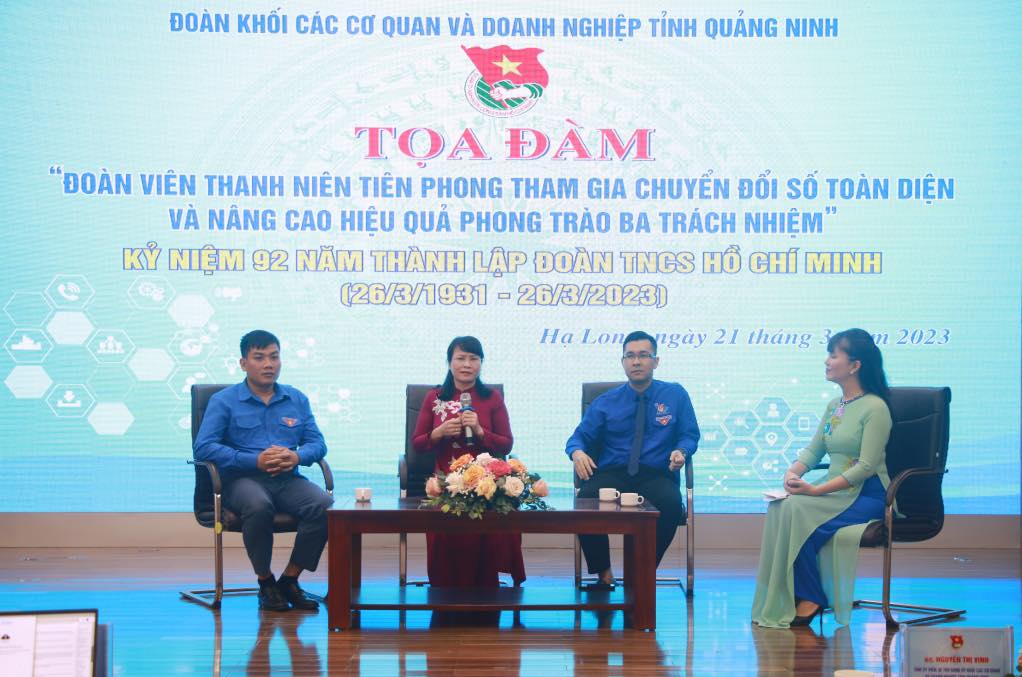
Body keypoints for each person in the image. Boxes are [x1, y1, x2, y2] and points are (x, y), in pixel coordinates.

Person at [752, 328, 893, 628]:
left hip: (867, 494)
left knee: (800, 514)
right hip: (835, 492)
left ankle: (811, 596)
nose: (827, 361)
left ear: (855, 365)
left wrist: (816, 492)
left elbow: (866, 466)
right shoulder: (835, 406)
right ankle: (791, 593)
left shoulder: (876, 408)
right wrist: (793, 472)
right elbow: (815, 450)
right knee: (782, 506)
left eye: (833, 355)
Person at [193, 330, 333, 612]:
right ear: (243, 363)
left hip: (287, 480)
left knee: (323, 505)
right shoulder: (224, 401)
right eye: (259, 358)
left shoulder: (296, 398)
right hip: (241, 481)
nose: (268, 364)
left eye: (274, 357)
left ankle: (290, 580)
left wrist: (296, 456)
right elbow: (204, 448)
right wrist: (253, 461)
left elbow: (318, 444)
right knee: (258, 505)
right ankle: (266, 582)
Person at [566, 330, 700, 589]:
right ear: (623, 362)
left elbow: (689, 434)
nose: (636, 362)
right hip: (613, 474)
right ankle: (604, 573)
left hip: (656, 474)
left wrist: (681, 451)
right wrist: (577, 452)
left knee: (672, 504)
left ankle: (642, 571)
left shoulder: (675, 395)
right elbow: (578, 438)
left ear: (656, 361)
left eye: (643, 355)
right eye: (630, 356)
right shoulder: (605, 401)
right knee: (584, 501)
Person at [411, 336, 525, 587]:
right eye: (460, 358)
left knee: (494, 514)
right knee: (442, 516)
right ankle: (445, 585)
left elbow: (506, 444)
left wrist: (481, 431)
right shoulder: (434, 397)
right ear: (449, 362)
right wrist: (438, 433)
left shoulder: (491, 398)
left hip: (485, 480)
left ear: (481, 363)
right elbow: (417, 444)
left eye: (473, 359)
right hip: (447, 481)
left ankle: (485, 584)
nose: (467, 364)